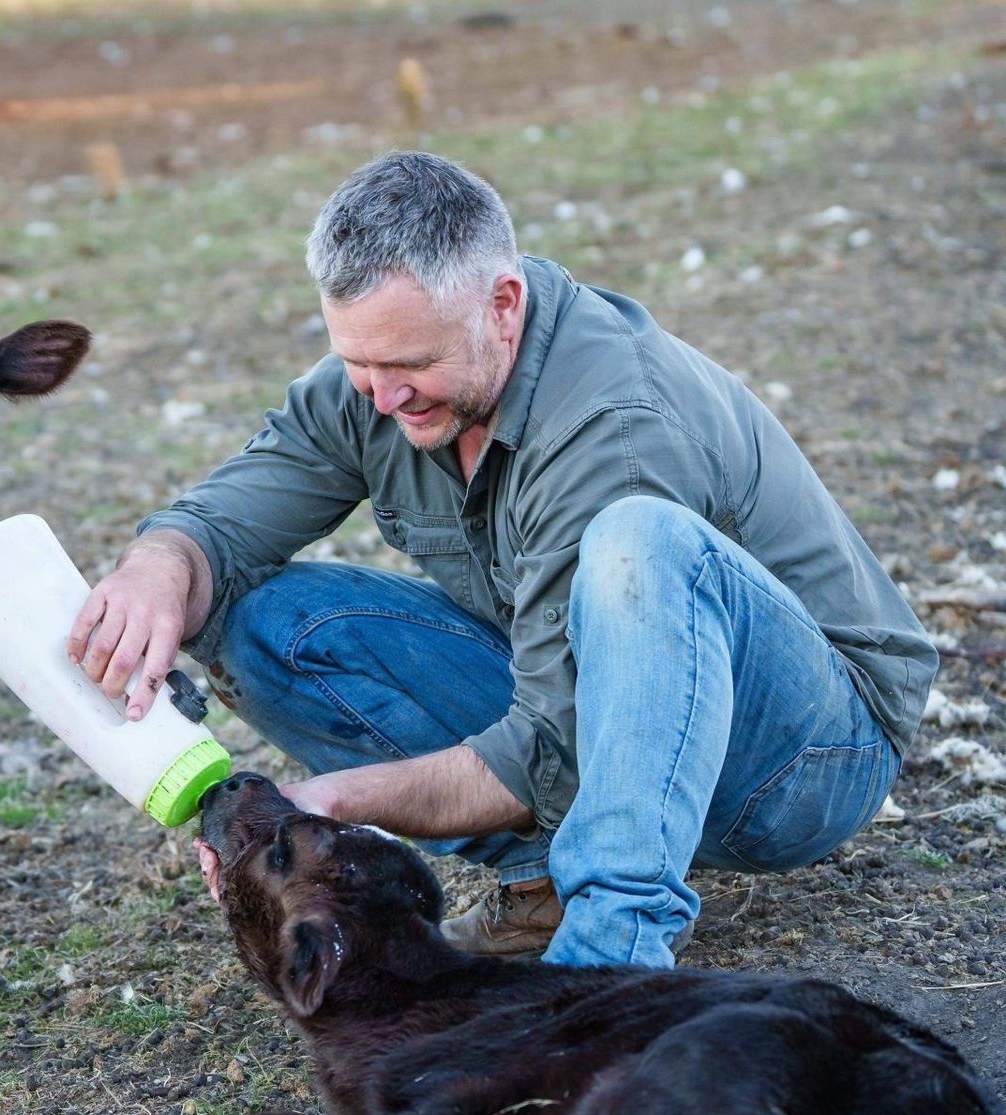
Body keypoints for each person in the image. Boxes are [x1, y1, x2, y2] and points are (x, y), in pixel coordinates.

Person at [68, 151, 936, 968]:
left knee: (642, 541)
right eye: (356, 361)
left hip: (801, 757)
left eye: (409, 363)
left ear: (504, 303)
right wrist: (161, 566)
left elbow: (553, 751)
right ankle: (546, 883)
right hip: (588, 712)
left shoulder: (615, 427)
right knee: (269, 624)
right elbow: (226, 521)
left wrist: (335, 802)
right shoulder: (383, 379)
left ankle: (610, 962)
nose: (384, 394)